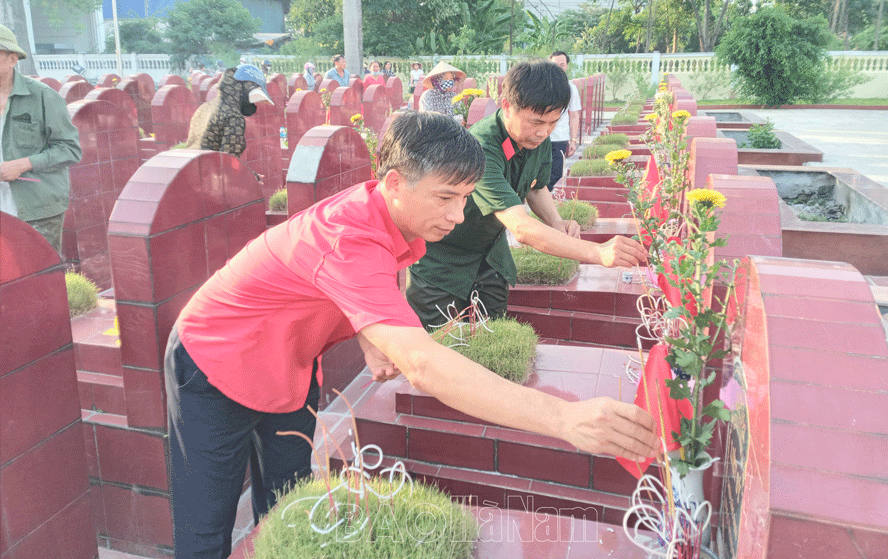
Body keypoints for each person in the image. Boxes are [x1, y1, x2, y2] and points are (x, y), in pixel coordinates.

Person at [165, 110, 657, 559]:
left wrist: (370, 335)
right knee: (206, 528)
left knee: (290, 505)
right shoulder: (350, 237)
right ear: (396, 182)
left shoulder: (391, 213)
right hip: (214, 362)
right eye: (446, 197)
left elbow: (369, 279)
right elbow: (421, 362)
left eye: (465, 197)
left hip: (289, 364)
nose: (458, 215)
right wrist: (564, 417)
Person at [407, 60, 647, 328]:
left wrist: (556, 222)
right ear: (508, 106)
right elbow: (521, 228)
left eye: (553, 122)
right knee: (442, 350)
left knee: (493, 338)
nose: (544, 132)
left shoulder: (535, 139)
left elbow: (535, 186)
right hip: (444, 262)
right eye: (536, 122)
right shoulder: (481, 147)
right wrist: (597, 253)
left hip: (490, 257)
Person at [0, 24, 81, 253]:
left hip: (37, 207)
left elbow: (70, 149)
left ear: (12, 59)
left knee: (39, 278)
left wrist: (23, 164)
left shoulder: (43, 97)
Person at [547, 51, 582, 191]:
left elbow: (574, 116)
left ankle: (541, 196)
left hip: (560, 137)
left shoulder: (571, 89)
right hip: (540, 138)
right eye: (555, 65)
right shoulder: (541, 86)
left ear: (566, 66)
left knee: (556, 172)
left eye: (562, 65)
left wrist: (573, 140)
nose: (558, 68)